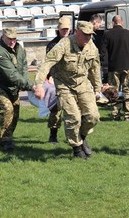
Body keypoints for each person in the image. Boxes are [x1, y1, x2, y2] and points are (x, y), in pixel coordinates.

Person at [34, 21, 101, 159]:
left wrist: (97, 88)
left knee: (93, 116)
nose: (87, 38)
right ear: (76, 32)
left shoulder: (92, 47)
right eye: (85, 35)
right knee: (73, 117)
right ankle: (77, 148)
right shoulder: (64, 44)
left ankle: (81, 138)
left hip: (82, 83)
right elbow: (47, 63)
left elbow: (95, 68)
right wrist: (39, 85)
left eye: (90, 35)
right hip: (64, 85)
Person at [0, 28, 35, 151]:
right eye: (9, 39)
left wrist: (24, 84)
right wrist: (31, 86)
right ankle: (5, 141)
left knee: (16, 112)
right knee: (8, 108)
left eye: (14, 38)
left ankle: (8, 136)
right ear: (3, 38)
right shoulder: (0, 53)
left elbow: (23, 70)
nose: (12, 41)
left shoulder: (20, 50)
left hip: (13, 86)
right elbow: (12, 74)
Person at [100, 15, 129, 121]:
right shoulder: (128, 33)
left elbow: (102, 51)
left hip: (113, 66)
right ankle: (128, 114)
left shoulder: (107, 34)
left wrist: (104, 64)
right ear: (122, 22)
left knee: (113, 90)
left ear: (113, 23)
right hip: (127, 66)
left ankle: (115, 114)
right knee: (127, 90)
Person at [45, 16, 72, 143]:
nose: (65, 31)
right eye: (63, 29)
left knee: (73, 110)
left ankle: (73, 136)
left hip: (72, 80)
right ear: (58, 29)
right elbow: (48, 63)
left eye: (67, 29)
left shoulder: (74, 42)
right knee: (55, 109)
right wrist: (49, 76)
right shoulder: (52, 45)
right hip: (57, 80)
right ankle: (53, 135)